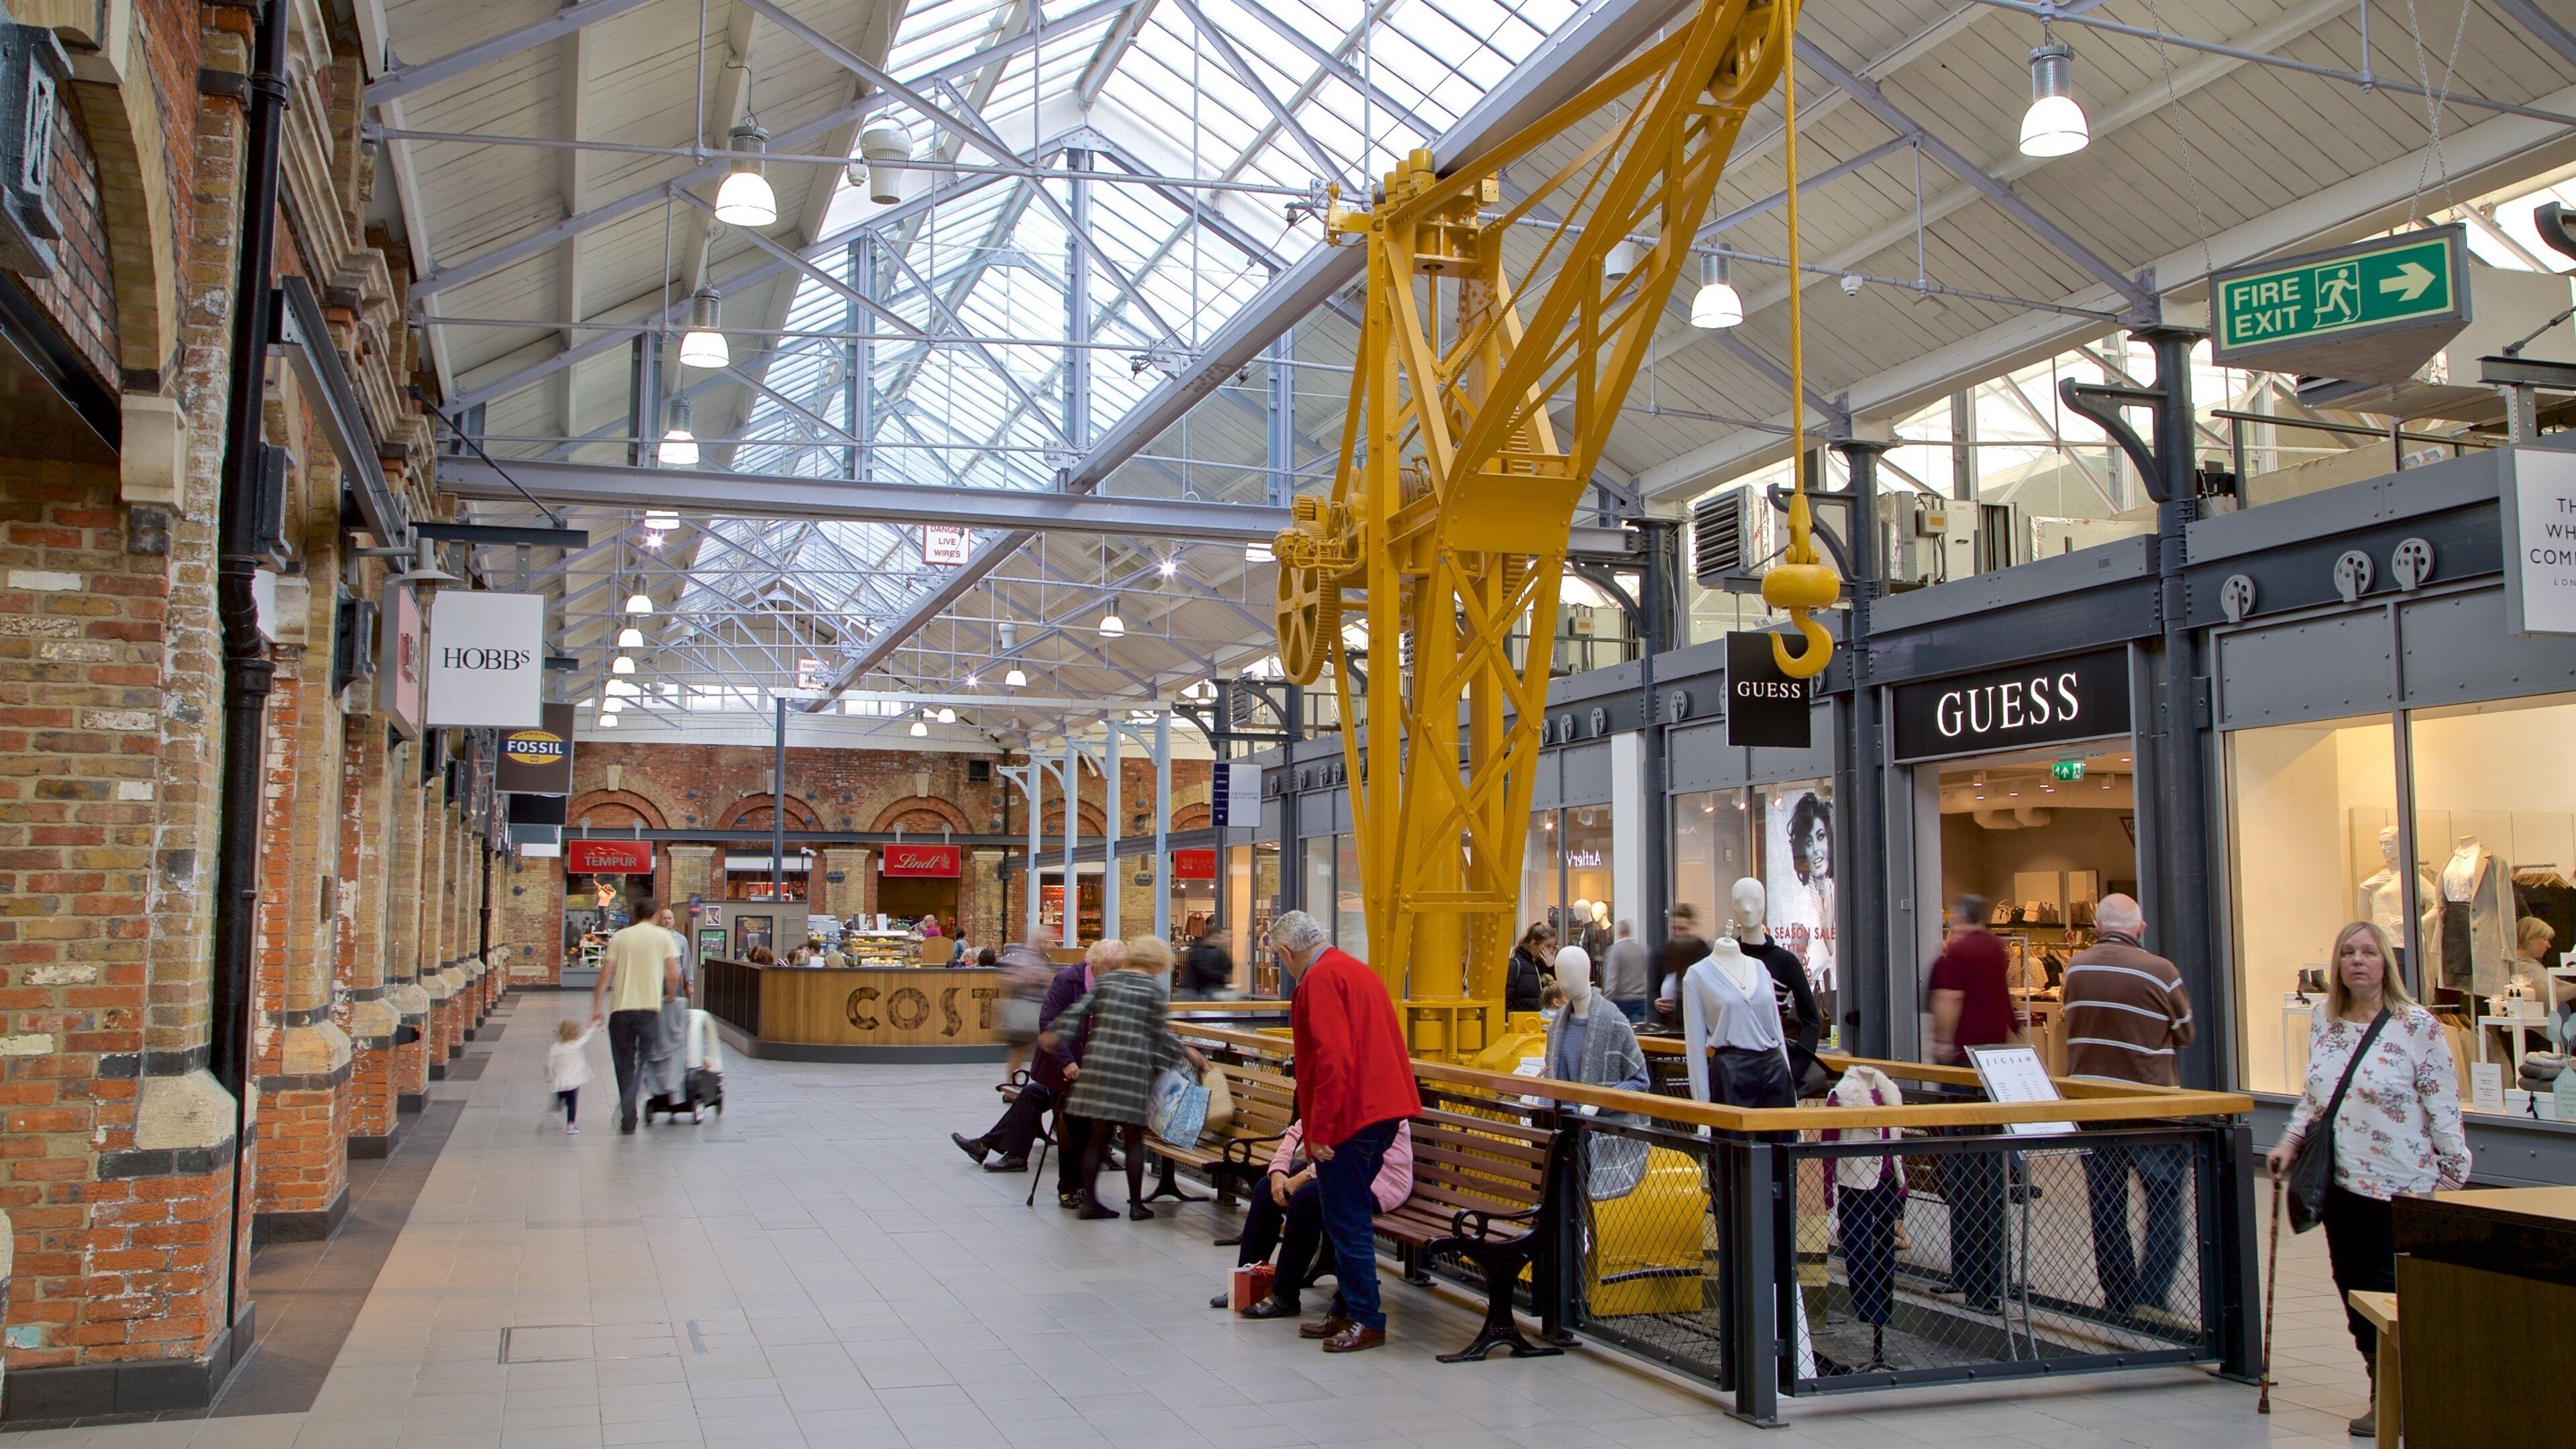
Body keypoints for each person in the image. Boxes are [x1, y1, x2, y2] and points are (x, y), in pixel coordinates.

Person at [2265, 920, 2469, 1440]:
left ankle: (2413, 1389)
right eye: (2348, 953)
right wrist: (2289, 1144)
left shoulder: (2416, 1025)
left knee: (2393, 1289)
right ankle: (2383, 1387)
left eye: (2368, 953)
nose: (2357, 961)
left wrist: (2453, 1169)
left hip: (2403, 1183)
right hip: (2342, 1180)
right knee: (2354, 1287)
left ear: (2386, 965)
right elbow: (2315, 1098)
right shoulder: (2324, 1021)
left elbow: (2441, 1101)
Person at [1276, 908, 1421, 1353]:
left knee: (1346, 1217)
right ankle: (1344, 1309)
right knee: (1345, 1211)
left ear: (1286, 952)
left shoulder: (1318, 981)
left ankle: (1366, 1317)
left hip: (1353, 1116)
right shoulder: (1356, 971)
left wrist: (1321, 1128)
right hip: (1384, 1109)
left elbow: (1331, 1059)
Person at [2059, 894, 2195, 1326]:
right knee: (2164, 1200)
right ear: (2142, 926)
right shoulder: (2162, 971)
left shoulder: (2076, 968)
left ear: (2097, 927)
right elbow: (2185, 1033)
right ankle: (2151, 1296)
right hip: (2150, 1101)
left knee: (2106, 1202)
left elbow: (2070, 1019)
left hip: (2092, 1101)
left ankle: (2117, 1296)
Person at [1042, 938, 1208, 1220]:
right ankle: (1135, 1205)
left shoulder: (1109, 982)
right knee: (1133, 1138)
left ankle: (1090, 1202)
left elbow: (1078, 1012)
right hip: (1131, 1071)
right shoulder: (1152, 991)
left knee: (1097, 1137)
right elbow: (1158, 1036)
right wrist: (1186, 1053)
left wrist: (1056, 1033)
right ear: (1156, 962)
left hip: (1098, 1068)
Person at [1924, 894, 2023, 1311]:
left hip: (1964, 1069)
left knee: (1964, 1172)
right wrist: (2018, 1039)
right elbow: (2005, 1001)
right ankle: (1992, 1274)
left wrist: (1942, 1045)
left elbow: (1950, 999)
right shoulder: (1998, 950)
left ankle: (1970, 1274)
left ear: (1959, 920)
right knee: (1991, 1173)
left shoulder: (1958, 953)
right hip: (1995, 1064)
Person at [1214, 1118, 1414, 1318]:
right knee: (1265, 1190)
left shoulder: (1373, 1096)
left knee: (1306, 1199)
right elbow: (1297, 1132)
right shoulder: (1327, 1089)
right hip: (1337, 1171)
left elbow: (1351, 1149)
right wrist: (1278, 1172)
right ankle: (1246, 1285)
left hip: (1377, 1181)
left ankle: (1284, 1296)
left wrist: (1305, 1176)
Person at [957, 941, 1112, 1191]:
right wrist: (1066, 1059)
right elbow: (1051, 1020)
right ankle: (1004, 1152)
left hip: (1090, 1074)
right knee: (1032, 1094)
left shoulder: (1095, 982)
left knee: (1032, 1095)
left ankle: (998, 1149)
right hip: (1069, 1069)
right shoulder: (1068, 979)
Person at [1542, 947, 1651, 1197]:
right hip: (1564, 1133)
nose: (1567, 981)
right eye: (1562, 974)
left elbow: (1639, 1079)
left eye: (1572, 972)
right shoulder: (1558, 1026)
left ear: (1587, 972)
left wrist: (1600, 1101)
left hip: (1602, 1131)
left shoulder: (1614, 1022)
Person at [590, 895, 682, 1134]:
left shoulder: (621, 937)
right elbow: (673, 975)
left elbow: (605, 975)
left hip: (620, 1011)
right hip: (649, 1011)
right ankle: (632, 1101)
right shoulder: (663, 937)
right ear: (654, 916)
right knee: (644, 1061)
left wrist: (597, 1007)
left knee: (624, 1066)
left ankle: (628, 1115)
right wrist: (671, 995)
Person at [1656, 904, 1711, 1027]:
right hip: (1669, 1025)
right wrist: (1657, 1003)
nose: (1678, 933)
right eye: (1674, 928)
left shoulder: (1705, 955)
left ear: (1691, 927)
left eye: (1682, 929)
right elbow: (1654, 989)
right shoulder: (1663, 953)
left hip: (1698, 1024)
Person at [547, 1018, 595, 1135]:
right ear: (575, 1033)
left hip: (559, 1081)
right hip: (572, 1082)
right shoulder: (575, 1045)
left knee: (561, 1097)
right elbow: (586, 1038)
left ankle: (555, 1110)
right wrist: (594, 1026)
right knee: (572, 1102)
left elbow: (548, 1064)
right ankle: (571, 1125)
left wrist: (549, 1075)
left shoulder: (555, 1047)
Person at [1602, 919, 1651, 1024]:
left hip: (1622, 1001)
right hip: (1641, 999)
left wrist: (1605, 1002)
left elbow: (1612, 979)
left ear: (1619, 932)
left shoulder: (1615, 951)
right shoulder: (1642, 949)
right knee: (1638, 1034)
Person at [1506, 922, 1556, 1013]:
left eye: (1553, 947)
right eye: (1547, 946)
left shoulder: (1543, 966)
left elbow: (1556, 995)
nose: (1551, 951)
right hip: (1522, 1023)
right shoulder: (1515, 965)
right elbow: (1507, 1001)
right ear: (1534, 944)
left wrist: (1551, 968)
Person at [1179, 927, 1236, 1000]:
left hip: (1198, 989)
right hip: (1196, 990)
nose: (1228, 940)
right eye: (1219, 938)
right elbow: (1205, 970)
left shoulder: (1201, 950)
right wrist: (1224, 977)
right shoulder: (1206, 951)